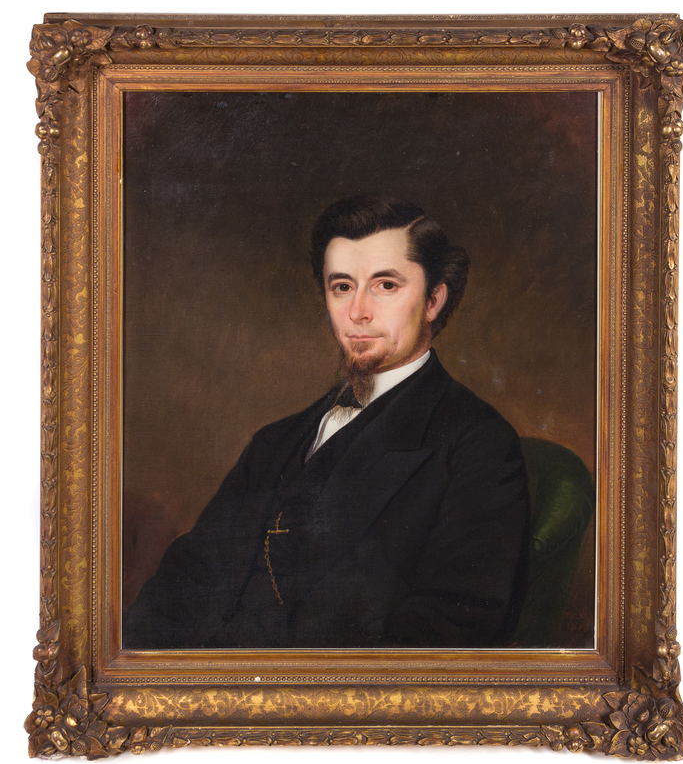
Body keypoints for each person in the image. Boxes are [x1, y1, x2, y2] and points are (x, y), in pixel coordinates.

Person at [123, 195, 530, 650]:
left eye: (385, 286)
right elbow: (183, 583)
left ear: (434, 299)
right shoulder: (274, 442)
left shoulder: (477, 443)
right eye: (342, 287)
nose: (358, 311)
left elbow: (455, 625)